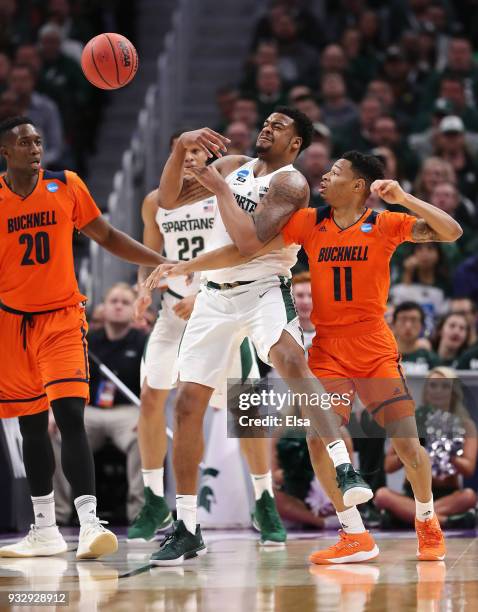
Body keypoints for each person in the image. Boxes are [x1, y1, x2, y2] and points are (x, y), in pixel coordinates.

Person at [157, 151, 463, 563]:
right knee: (318, 441)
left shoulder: (384, 223)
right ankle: (353, 533)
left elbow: (451, 231)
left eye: (335, 172)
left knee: (408, 445)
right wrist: (190, 268)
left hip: (373, 346)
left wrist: (405, 198)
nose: (324, 176)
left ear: (358, 186)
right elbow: (245, 252)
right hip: (328, 348)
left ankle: (427, 520)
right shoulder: (309, 221)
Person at [145, 109, 372, 565]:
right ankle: (187, 525)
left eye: (278, 126)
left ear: (295, 143)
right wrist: (178, 147)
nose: (267, 127)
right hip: (213, 297)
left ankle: (343, 469)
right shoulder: (233, 165)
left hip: (264, 289)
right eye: (265, 121)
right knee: (187, 404)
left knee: (289, 361)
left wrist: (218, 196)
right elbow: (166, 200)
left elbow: (248, 244)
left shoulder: (290, 184)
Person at [0, 116, 169, 559]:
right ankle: (44, 530)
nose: (35, 148)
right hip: (11, 323)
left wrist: (159, 261)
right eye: (24, 142)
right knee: (31, 427)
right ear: (5, 151)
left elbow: (108, 235)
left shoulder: (66, 185)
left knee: (70, 416)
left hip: (60, 318)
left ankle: (91, 524)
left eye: (38, 141)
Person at [127, 138, 287, 546]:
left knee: (244, 405)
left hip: (220, 300)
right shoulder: (155, 202)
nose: (191, 159)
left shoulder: (227, 190)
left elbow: (241, 250)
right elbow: (151, 254)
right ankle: (152, 498)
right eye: (183, 153)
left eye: (198, 154)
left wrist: (203, 292)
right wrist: (143, 289)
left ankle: (264, 498)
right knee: (151, 397)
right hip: (173, 311)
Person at [51, 283, 146, 525]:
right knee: (58, 434)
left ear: (135, 308)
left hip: (128, 411)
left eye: (125, 302)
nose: (118, 306)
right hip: (89, 411)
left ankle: (140, 513)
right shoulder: (87, 341)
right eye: (113, 300)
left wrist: (149, 417)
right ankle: (60, 514)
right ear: (102, 307)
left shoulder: (143, 342)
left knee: (146, 437)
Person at [375, 367, 477, 528]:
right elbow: (388, 466)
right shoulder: (410, 421)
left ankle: (409, 517)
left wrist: (447, 452)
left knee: (469, 496)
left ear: (453, 392)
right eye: (433, 385)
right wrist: (414, 447)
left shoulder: (466, 425)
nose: (438, 391)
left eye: (445, 386)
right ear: (426, 390)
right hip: (413, 493)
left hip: (448, 494)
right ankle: (444, 521)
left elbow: (468, 468)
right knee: (382, 495)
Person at [392, 301, 440, 375]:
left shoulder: (432, 359)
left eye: (413, 320)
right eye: (403, 320)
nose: (408, 325)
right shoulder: (385, 358)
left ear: (422, 326)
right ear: (393, 325)